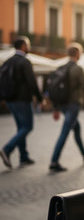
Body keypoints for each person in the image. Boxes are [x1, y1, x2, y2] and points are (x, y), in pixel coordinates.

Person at [49, 43, 84, 172]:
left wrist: (56, 108)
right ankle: (54, 161)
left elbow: (56, 88)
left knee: (77, 128)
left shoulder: (61, 68)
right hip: (73, 105)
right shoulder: (78, 69)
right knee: (65, 132)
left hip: (63, 104)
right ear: (77, 54)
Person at [0, 36, 43, 169]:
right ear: (24, 46)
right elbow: (32, 82)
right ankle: (7, 149)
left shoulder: (7, 62)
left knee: (21, 127)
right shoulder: (24, 62)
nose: (29, 47)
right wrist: (40, 98)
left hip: (10, 100)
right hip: (23, 99)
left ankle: (23, 156)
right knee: (27, 127)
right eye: (28, 45)